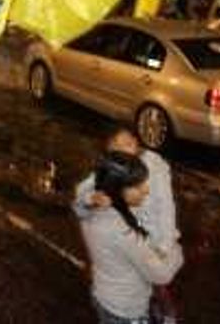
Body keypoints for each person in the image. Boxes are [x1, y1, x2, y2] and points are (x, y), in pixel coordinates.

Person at [75, 128, 182, 323]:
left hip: (109, 292)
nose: (146, 189)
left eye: (128, 141)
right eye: (139, 186)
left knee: (146, 284)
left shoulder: (151, 167)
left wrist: (164, 244)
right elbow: (161, 274)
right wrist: (173, 252)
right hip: (126, 308)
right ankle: (166, 315)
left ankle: (164, 313)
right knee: (148, 282)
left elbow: (166, 208)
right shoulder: (121, 230)